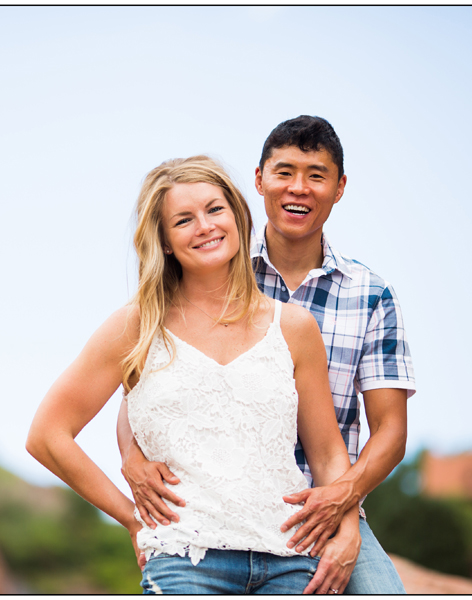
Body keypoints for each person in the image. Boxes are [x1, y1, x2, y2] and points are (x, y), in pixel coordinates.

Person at [27, 155, 360, 594]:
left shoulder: (294, 327)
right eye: (183, 220)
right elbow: (47, 435)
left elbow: (328, 454)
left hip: (291, 558)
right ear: (165, 241)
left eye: (214, 209)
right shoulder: (136, 326)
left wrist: (347, 529)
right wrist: (131, 517)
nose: (204, 226)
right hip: (186, 561)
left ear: (237, 217)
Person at [117, 116, 416, 594]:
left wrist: (343, 506)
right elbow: (147, 392)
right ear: (258, 180)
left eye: (316, 175)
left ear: (339, 188)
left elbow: (391, 431)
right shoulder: (213, 262)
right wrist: (132, 460)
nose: (299, 188)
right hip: (215, 509)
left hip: (320, 507)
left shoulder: (370, 295)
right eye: (284, 172)